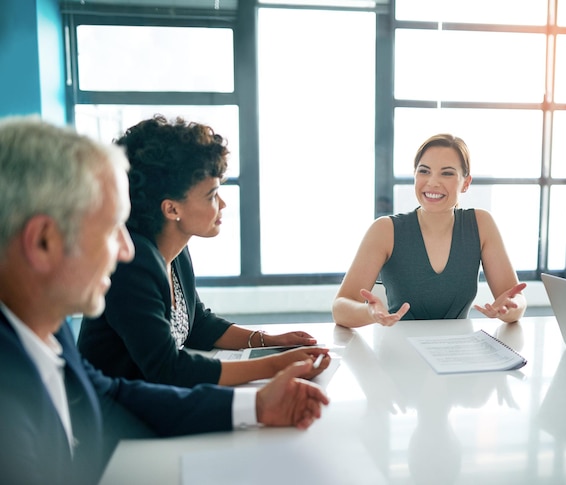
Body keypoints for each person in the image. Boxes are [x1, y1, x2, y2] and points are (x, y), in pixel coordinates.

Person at [0, 115, 329, 485]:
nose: (126, 250)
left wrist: (257, 405)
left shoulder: (45, 328)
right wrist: (270, 369)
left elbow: (111, 394)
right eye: (111, 229)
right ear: (43, 241)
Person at [77, 115, 330, 387]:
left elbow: (198, 324)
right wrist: (275, 366)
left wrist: (270, 341)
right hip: (112, 418)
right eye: (211, 195)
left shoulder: (175, 251)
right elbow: (168, 370)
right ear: (171, 208)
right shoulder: (132, 263)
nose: (222, 204)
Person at [332, 133, 527, 328]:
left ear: (466, 183)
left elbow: (514, 298)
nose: (432, 182)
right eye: (424, 171)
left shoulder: (481, 224)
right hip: (400, 350)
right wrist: (370, 313)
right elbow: (340, 307)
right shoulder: (385, 230)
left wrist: (510, 308)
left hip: (458, 351)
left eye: (447, 173)